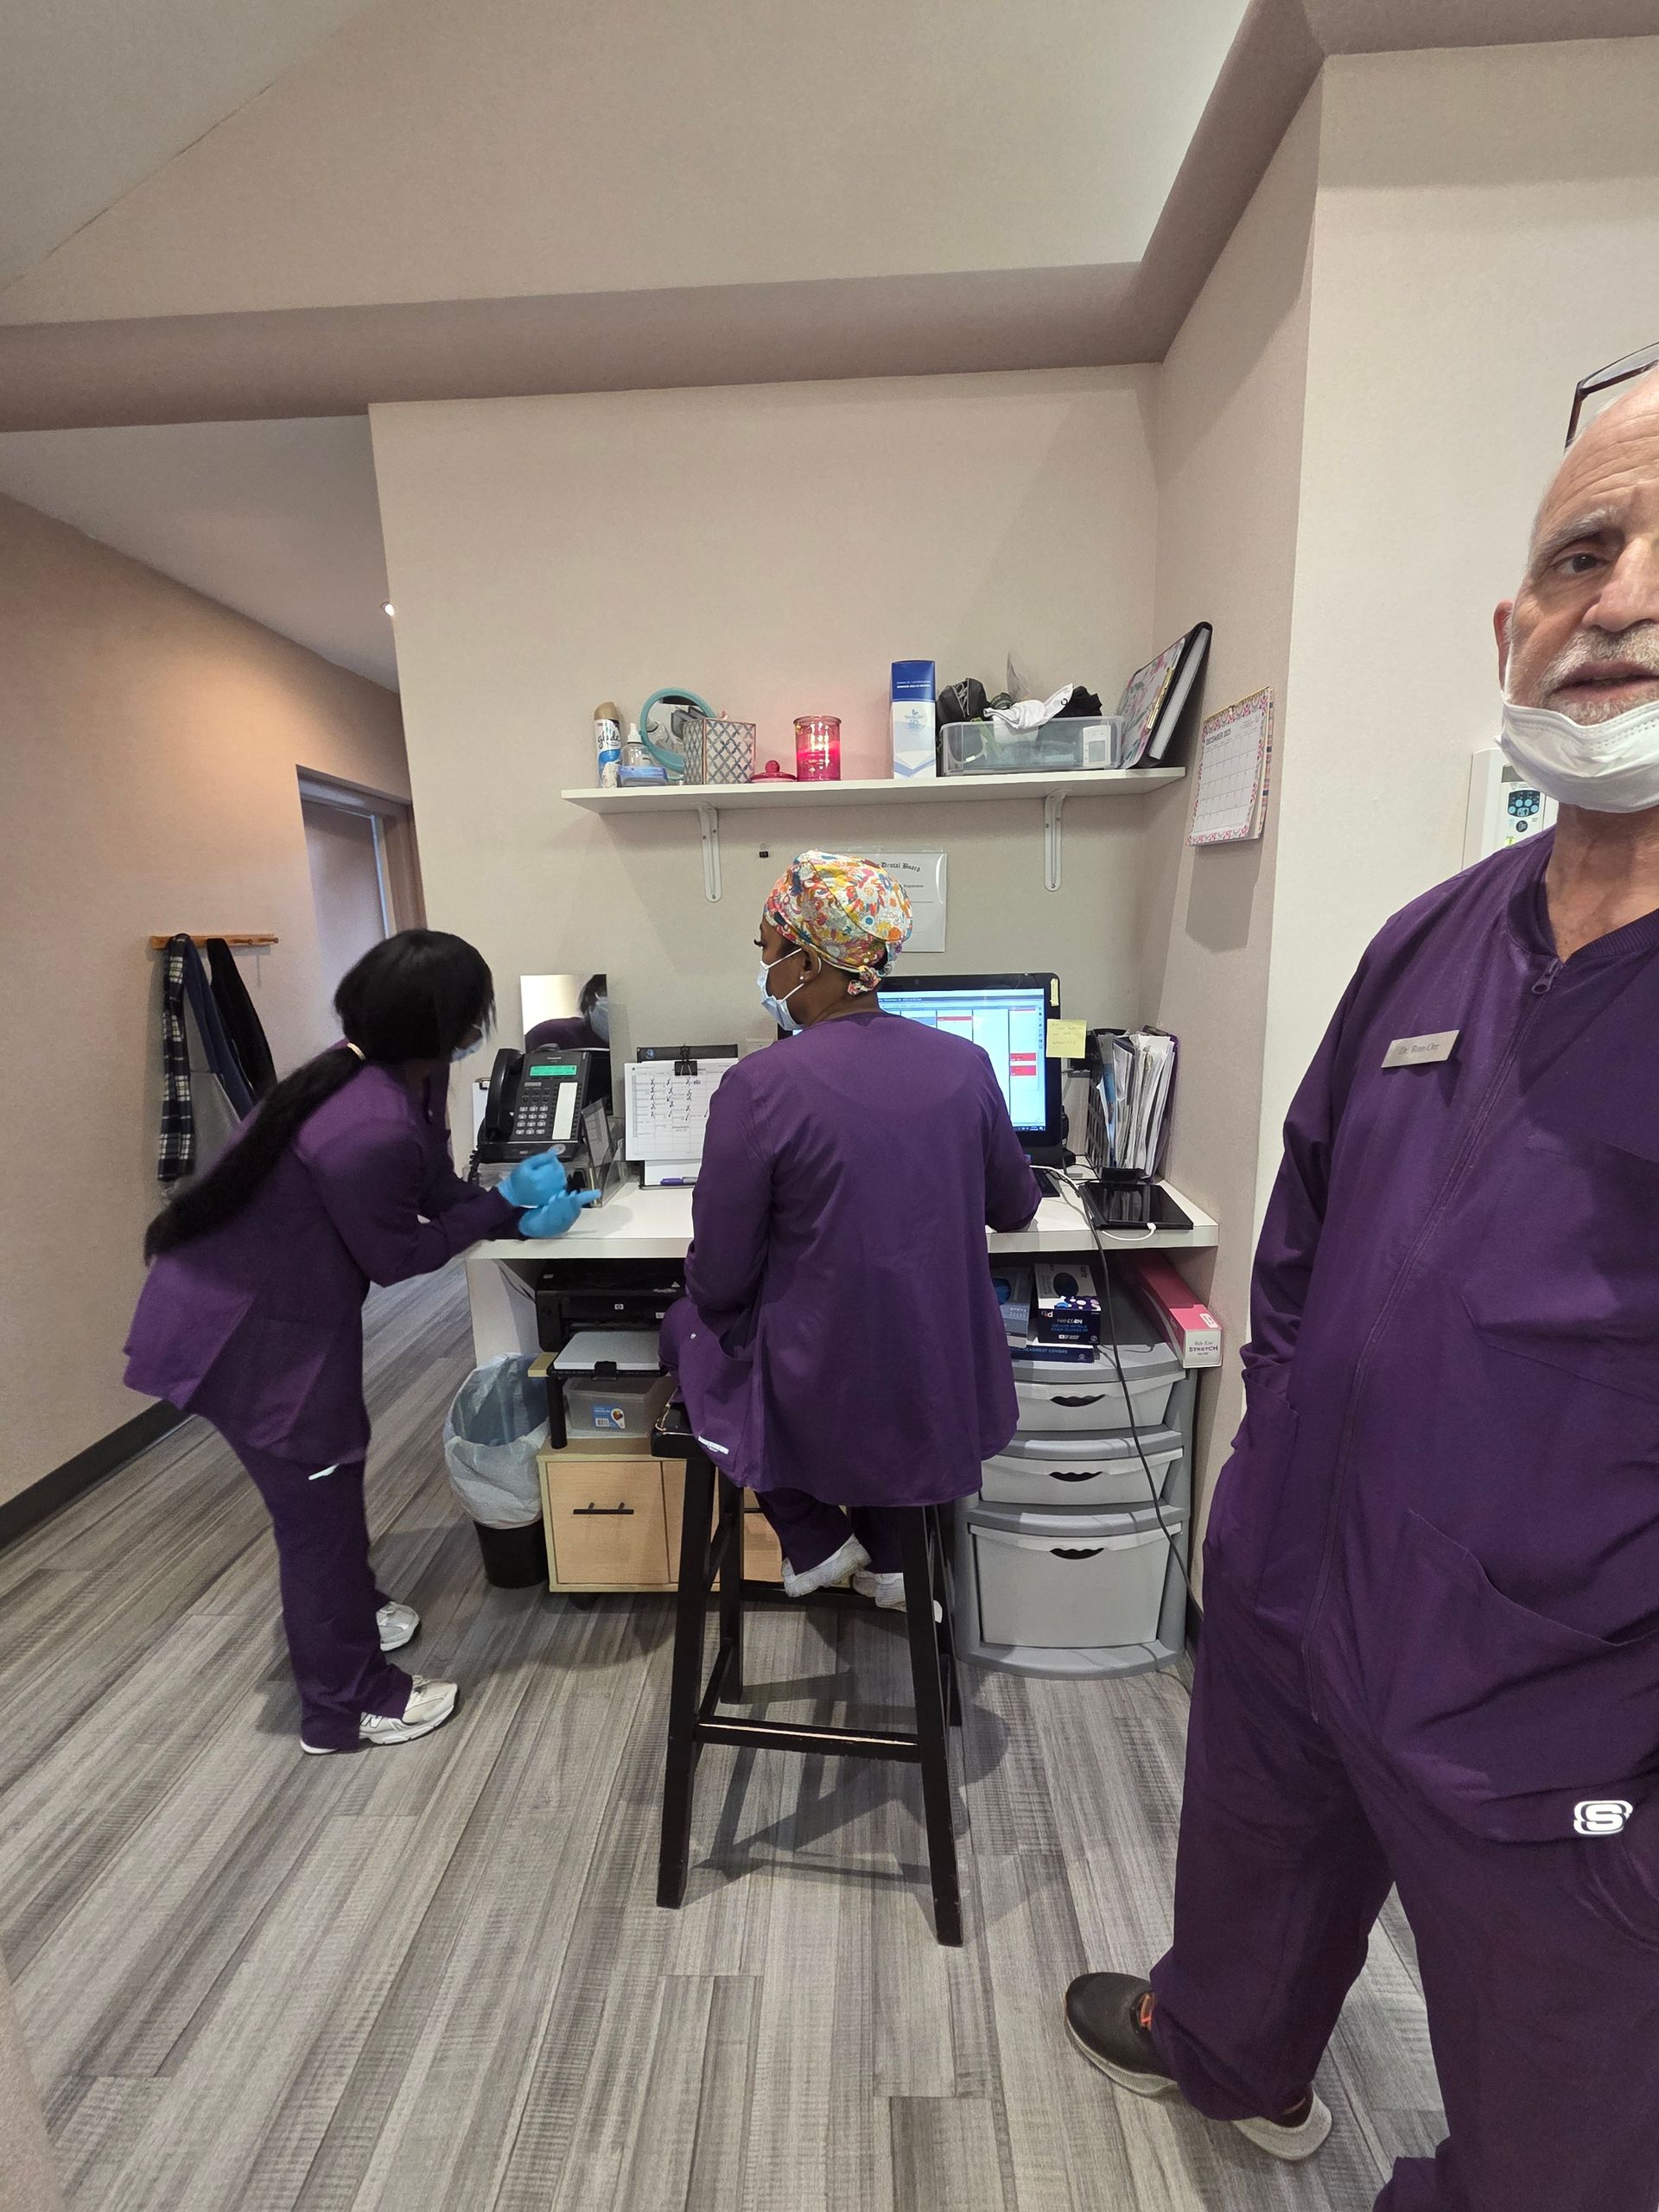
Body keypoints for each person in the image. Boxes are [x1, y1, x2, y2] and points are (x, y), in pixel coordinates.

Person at [1064, 374, 1659, 2209]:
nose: (1624, 599)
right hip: (1306, 1577)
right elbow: (1306, 1223)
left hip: (1564, 1685)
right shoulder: (1436, 930)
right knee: (1256, 1865)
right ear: (1514, 625)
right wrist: (1282, 1466)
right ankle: (1229, 2042)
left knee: (1566, 2092)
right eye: (1583, 552)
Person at [124, 930, 595, 1754]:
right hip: (249, 1341)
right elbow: (398, 1255)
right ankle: (346, 1705)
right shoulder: (361, 1120)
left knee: (330, 1502)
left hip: (275, 1313)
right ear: (457, 1023)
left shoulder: (390, 1073)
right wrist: (501, 1207)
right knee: (318, 1517)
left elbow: (432, 1185)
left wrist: (507, 1205)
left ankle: (355, 1614)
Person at [662, 852, 1041, 1605]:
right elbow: (1016, 1207)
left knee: (686, 1325)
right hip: (933, 1381)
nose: (767, 974)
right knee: (883, 1347)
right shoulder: (967, 1066)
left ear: (810, 958)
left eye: (769, 954)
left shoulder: (758, 1087)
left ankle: (812, 1534)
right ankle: (897, 1552)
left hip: (819, 1387)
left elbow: (722, 1277)